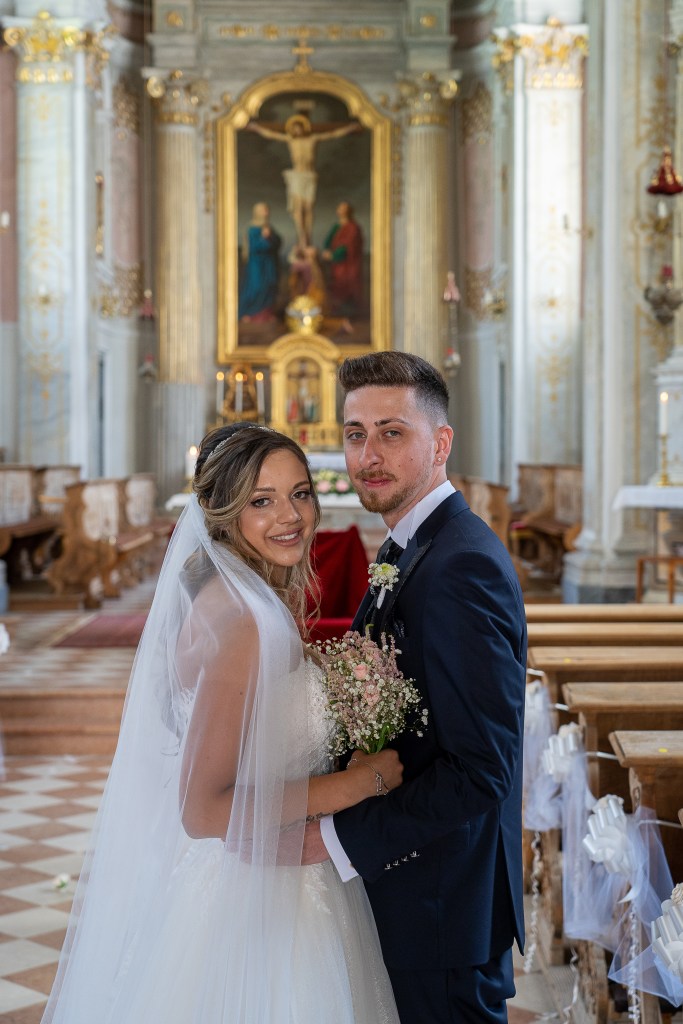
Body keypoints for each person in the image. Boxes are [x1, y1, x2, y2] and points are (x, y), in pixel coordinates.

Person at [42, 423, 401, 1023]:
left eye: (300, 493)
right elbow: (203, 809)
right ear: (224, 514)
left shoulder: (234, 597)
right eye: (262, 501)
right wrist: (362, 782)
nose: (291, 516)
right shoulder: (245, 624)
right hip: (262, 898)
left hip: (251, 876)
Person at [302, 352, 527, 1023]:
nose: (368, 455)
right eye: (355, 434)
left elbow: (482, 769)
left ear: (441, 442)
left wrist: (338, 839)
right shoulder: (410, 544)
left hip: (441, 902)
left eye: (392, 432)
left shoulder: (459, 566)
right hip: (420, 891)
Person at [247, 115, 361, 247]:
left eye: (299, 128)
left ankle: (308, 237)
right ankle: (301, 237)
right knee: (298, 208)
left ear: (303, 128)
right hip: (297, 176)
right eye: (294, 129)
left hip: (309, 176)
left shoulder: (313, 139)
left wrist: (349, 128)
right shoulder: (290, 140)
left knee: (308, 208)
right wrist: (257, 128)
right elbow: (272, 134)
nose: (297, 131)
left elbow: (332, 134)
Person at [238, 201, 282, 321]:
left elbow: (277, 242)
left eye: (267, 210)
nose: (266, 212)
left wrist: (270, 237)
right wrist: (264, 238)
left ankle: (265, 315)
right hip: (257, 264)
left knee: (269, 285)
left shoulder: (268, 228)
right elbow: (254, 247)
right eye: (264, 210)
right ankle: (248, 313)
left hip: (269, 263)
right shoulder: (252, 229)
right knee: (256, 287)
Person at [321, 201, 363, 319]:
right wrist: (327, 251)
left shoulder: (353, 227)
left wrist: (334, 256)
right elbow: (328, 241)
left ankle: (349, 314)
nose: (341, 211)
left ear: (349, 211)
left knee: (347, 285)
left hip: (348, 264)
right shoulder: (337, 226)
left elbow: (349, 246)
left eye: (343, 209)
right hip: (337, 265)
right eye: (340, 209)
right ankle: (338, 313)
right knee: (336, 285)